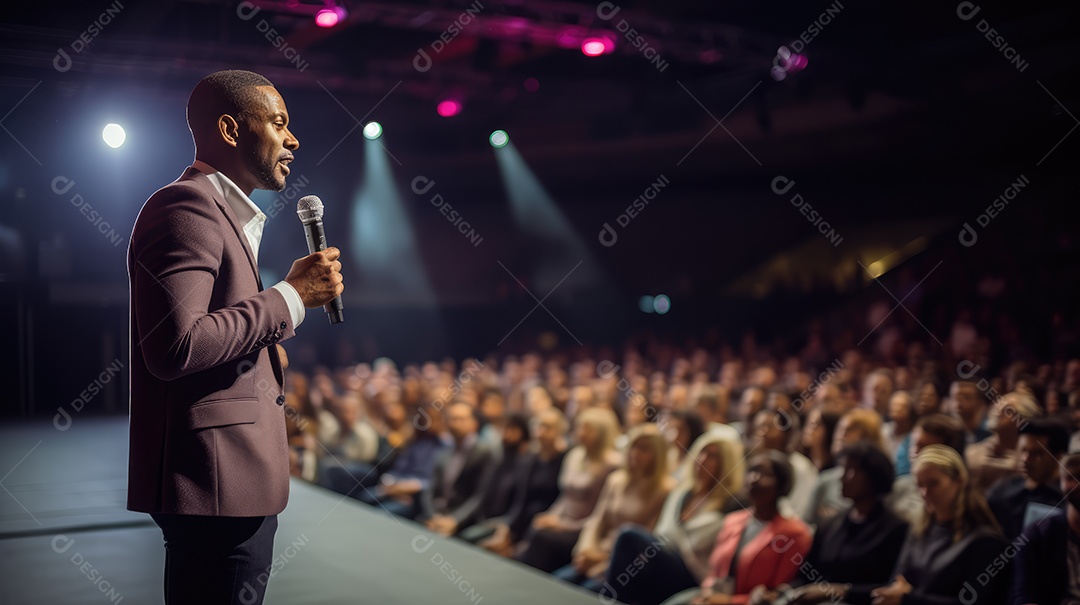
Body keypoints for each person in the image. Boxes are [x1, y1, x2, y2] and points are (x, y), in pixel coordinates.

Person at [128, 69, 342, 605]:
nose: (292, 139)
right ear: (229, 129)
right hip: (214, 483)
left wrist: (265, 355)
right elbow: (175, 346)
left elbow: (210, 340)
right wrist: (292, 295)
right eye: (277, 122)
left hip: (228, 480)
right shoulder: (187, 207)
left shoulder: (220, 213)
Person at [600, 432, 745, 605]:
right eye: (702, 452)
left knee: (629, 535)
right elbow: (659, 533)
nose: (703, 460)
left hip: (692, 575)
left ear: (726, 463)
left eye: (713, 456)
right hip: (662, 561)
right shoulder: (681, 493)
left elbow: (718, 560)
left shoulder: (730, 507)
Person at [662, 451, 812, 605]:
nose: (755, 479)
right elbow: (714, 572)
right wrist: (708, 595)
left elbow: (778, 594)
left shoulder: (794, 533)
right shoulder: (733, 521)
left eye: (765, 474)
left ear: (782, 484)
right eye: (752, 471)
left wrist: (728, 601)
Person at [870, 445, 1007, 605]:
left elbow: (975, 602)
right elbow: (897, 580)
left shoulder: (985, 541)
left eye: (934, 484)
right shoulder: (920, 530)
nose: (925, 493)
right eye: (920, 485)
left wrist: (909, 599)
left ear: (959, 481)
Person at [779, 443, 908, 604]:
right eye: (842, 469)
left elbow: (891, 588)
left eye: (851, 470)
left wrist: (843, 590)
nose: (842, 477)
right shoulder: (831, 524)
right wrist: (780, 592)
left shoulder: (895, 528)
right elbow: (806, 574)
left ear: (873, 477)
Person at [554, 424, 674, 591]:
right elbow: (597, 521)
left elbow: (647, 540)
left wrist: (602, 561)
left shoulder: (665, 490)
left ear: (658, 454)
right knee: (556, 584)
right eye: (634, 447)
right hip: (595, 553)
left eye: (644, 449)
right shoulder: (616, 480)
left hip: (623, 566)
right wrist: (586, 551)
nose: (636, 454)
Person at [514, 407, 621, 572]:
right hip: (563, 522)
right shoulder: (574, 455)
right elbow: (565, 497)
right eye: (580, 427)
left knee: (541, 537)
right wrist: (551, 517)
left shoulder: (612, 465)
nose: (581, 433)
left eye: (588, 430)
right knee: (538, 524)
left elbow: (599, 513)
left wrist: (564, 525)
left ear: (602, 433)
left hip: (582, 530)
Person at [419, 401, 500, 536]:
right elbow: (430, 489)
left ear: (474, 424)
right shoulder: (444, 450)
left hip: (465, 519)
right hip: (438, 515)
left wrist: (455, 520)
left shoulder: (484, 453)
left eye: (461, 419)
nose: (456, 424)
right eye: (452, 419)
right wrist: (432, 516)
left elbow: (480, 496)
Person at [1011, 452, 1080, 604]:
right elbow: (1023, 594)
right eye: (1070, 478)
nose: (1077, 485)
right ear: (1060, 482)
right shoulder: (1038, 533)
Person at [985, 417, 1068, 540]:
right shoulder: (1001, 491)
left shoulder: (1067, 498)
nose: (1025, 459)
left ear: (1059, 457)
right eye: (1023, 451)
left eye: (1037, 454)